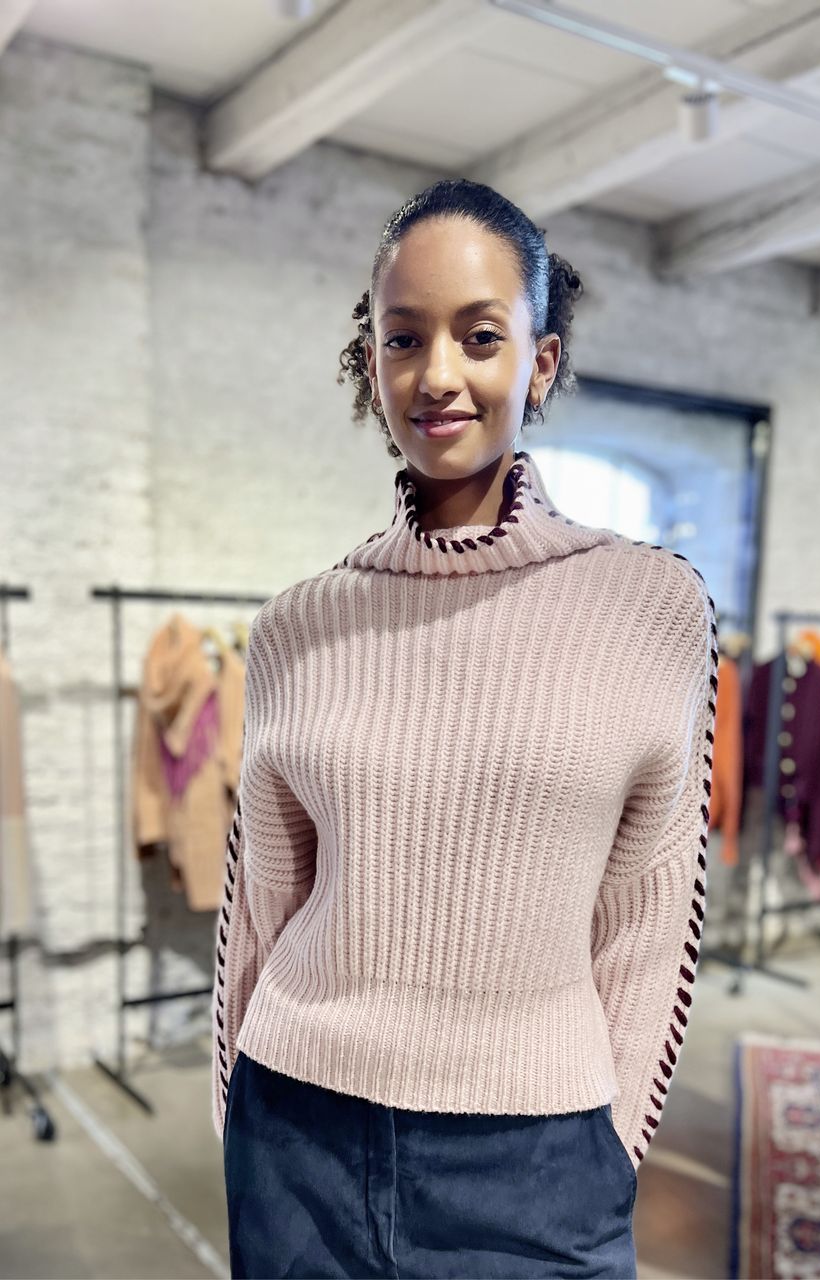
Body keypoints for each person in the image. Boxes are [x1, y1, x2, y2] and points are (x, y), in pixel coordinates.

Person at [212, 178, 718, 1279]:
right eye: (404, 338)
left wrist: (606, 1150)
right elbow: (259, 905)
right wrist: (235, 1120)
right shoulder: (299, 624)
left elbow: (649, 913)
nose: (437, 374)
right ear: (373, 364)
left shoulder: (653, 606)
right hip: (295, 1132)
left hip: (537, 1158)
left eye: (479, 336)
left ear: (539, 362)